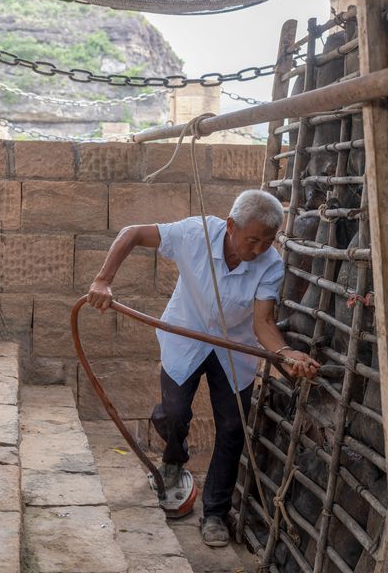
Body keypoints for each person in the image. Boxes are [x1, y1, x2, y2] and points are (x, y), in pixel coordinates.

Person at [87, 189, 319, 548]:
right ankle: (173, 460)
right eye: (253, 240)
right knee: (174, 413)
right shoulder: (194, 233)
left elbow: (262, 324)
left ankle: (214, 513)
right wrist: (103, 280)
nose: (259, 249)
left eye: (268, 241)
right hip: (185, 335)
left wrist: (287, 353)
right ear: (231, 226)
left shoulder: (270, 264)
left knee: (232, 428)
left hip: (234, 348)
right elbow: (132, 233)